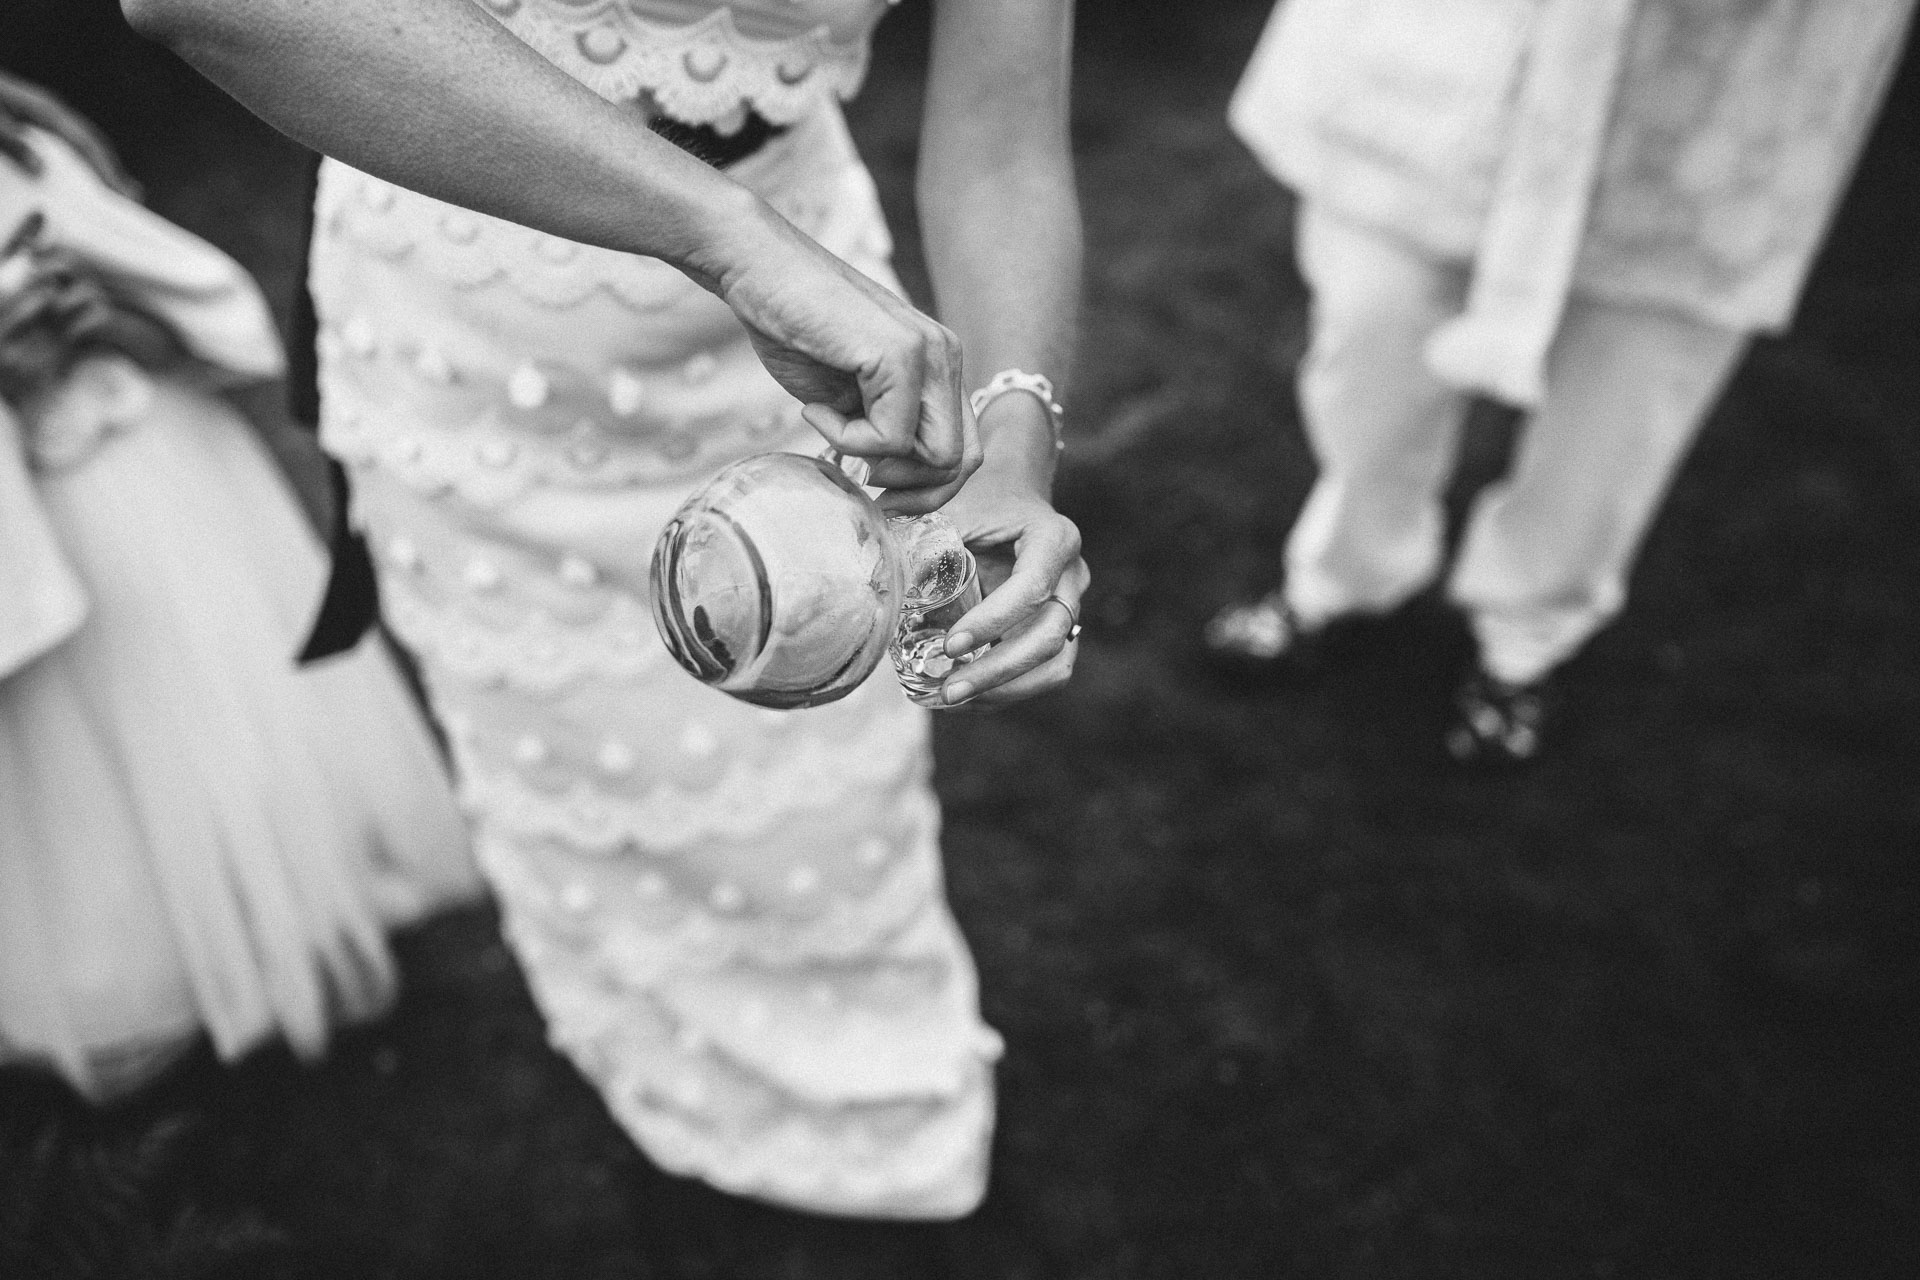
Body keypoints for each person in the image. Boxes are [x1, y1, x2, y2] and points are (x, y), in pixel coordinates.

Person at [124, 0, 1087, 1216]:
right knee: (566, 783)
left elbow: (1002, 147)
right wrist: (724, 232)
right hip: (472, 320)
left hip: (824, 355)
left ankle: (873, 1124)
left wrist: (1013, 445)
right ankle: (648, 1066)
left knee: (816, 808)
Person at [1209, 0, 1914, 763]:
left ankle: (1529, 631)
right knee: (1371, 326)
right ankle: (1347, 572)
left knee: (1625, 396)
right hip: (1453, 46)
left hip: (1723, 93)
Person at [0, 76, 479, 1104]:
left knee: (228, 690)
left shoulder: (32, 135)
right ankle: (154, 967)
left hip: (148, 451)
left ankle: (314, 900)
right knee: (85, 750)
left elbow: (154, 283)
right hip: (29, 502)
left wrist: (106, 319)